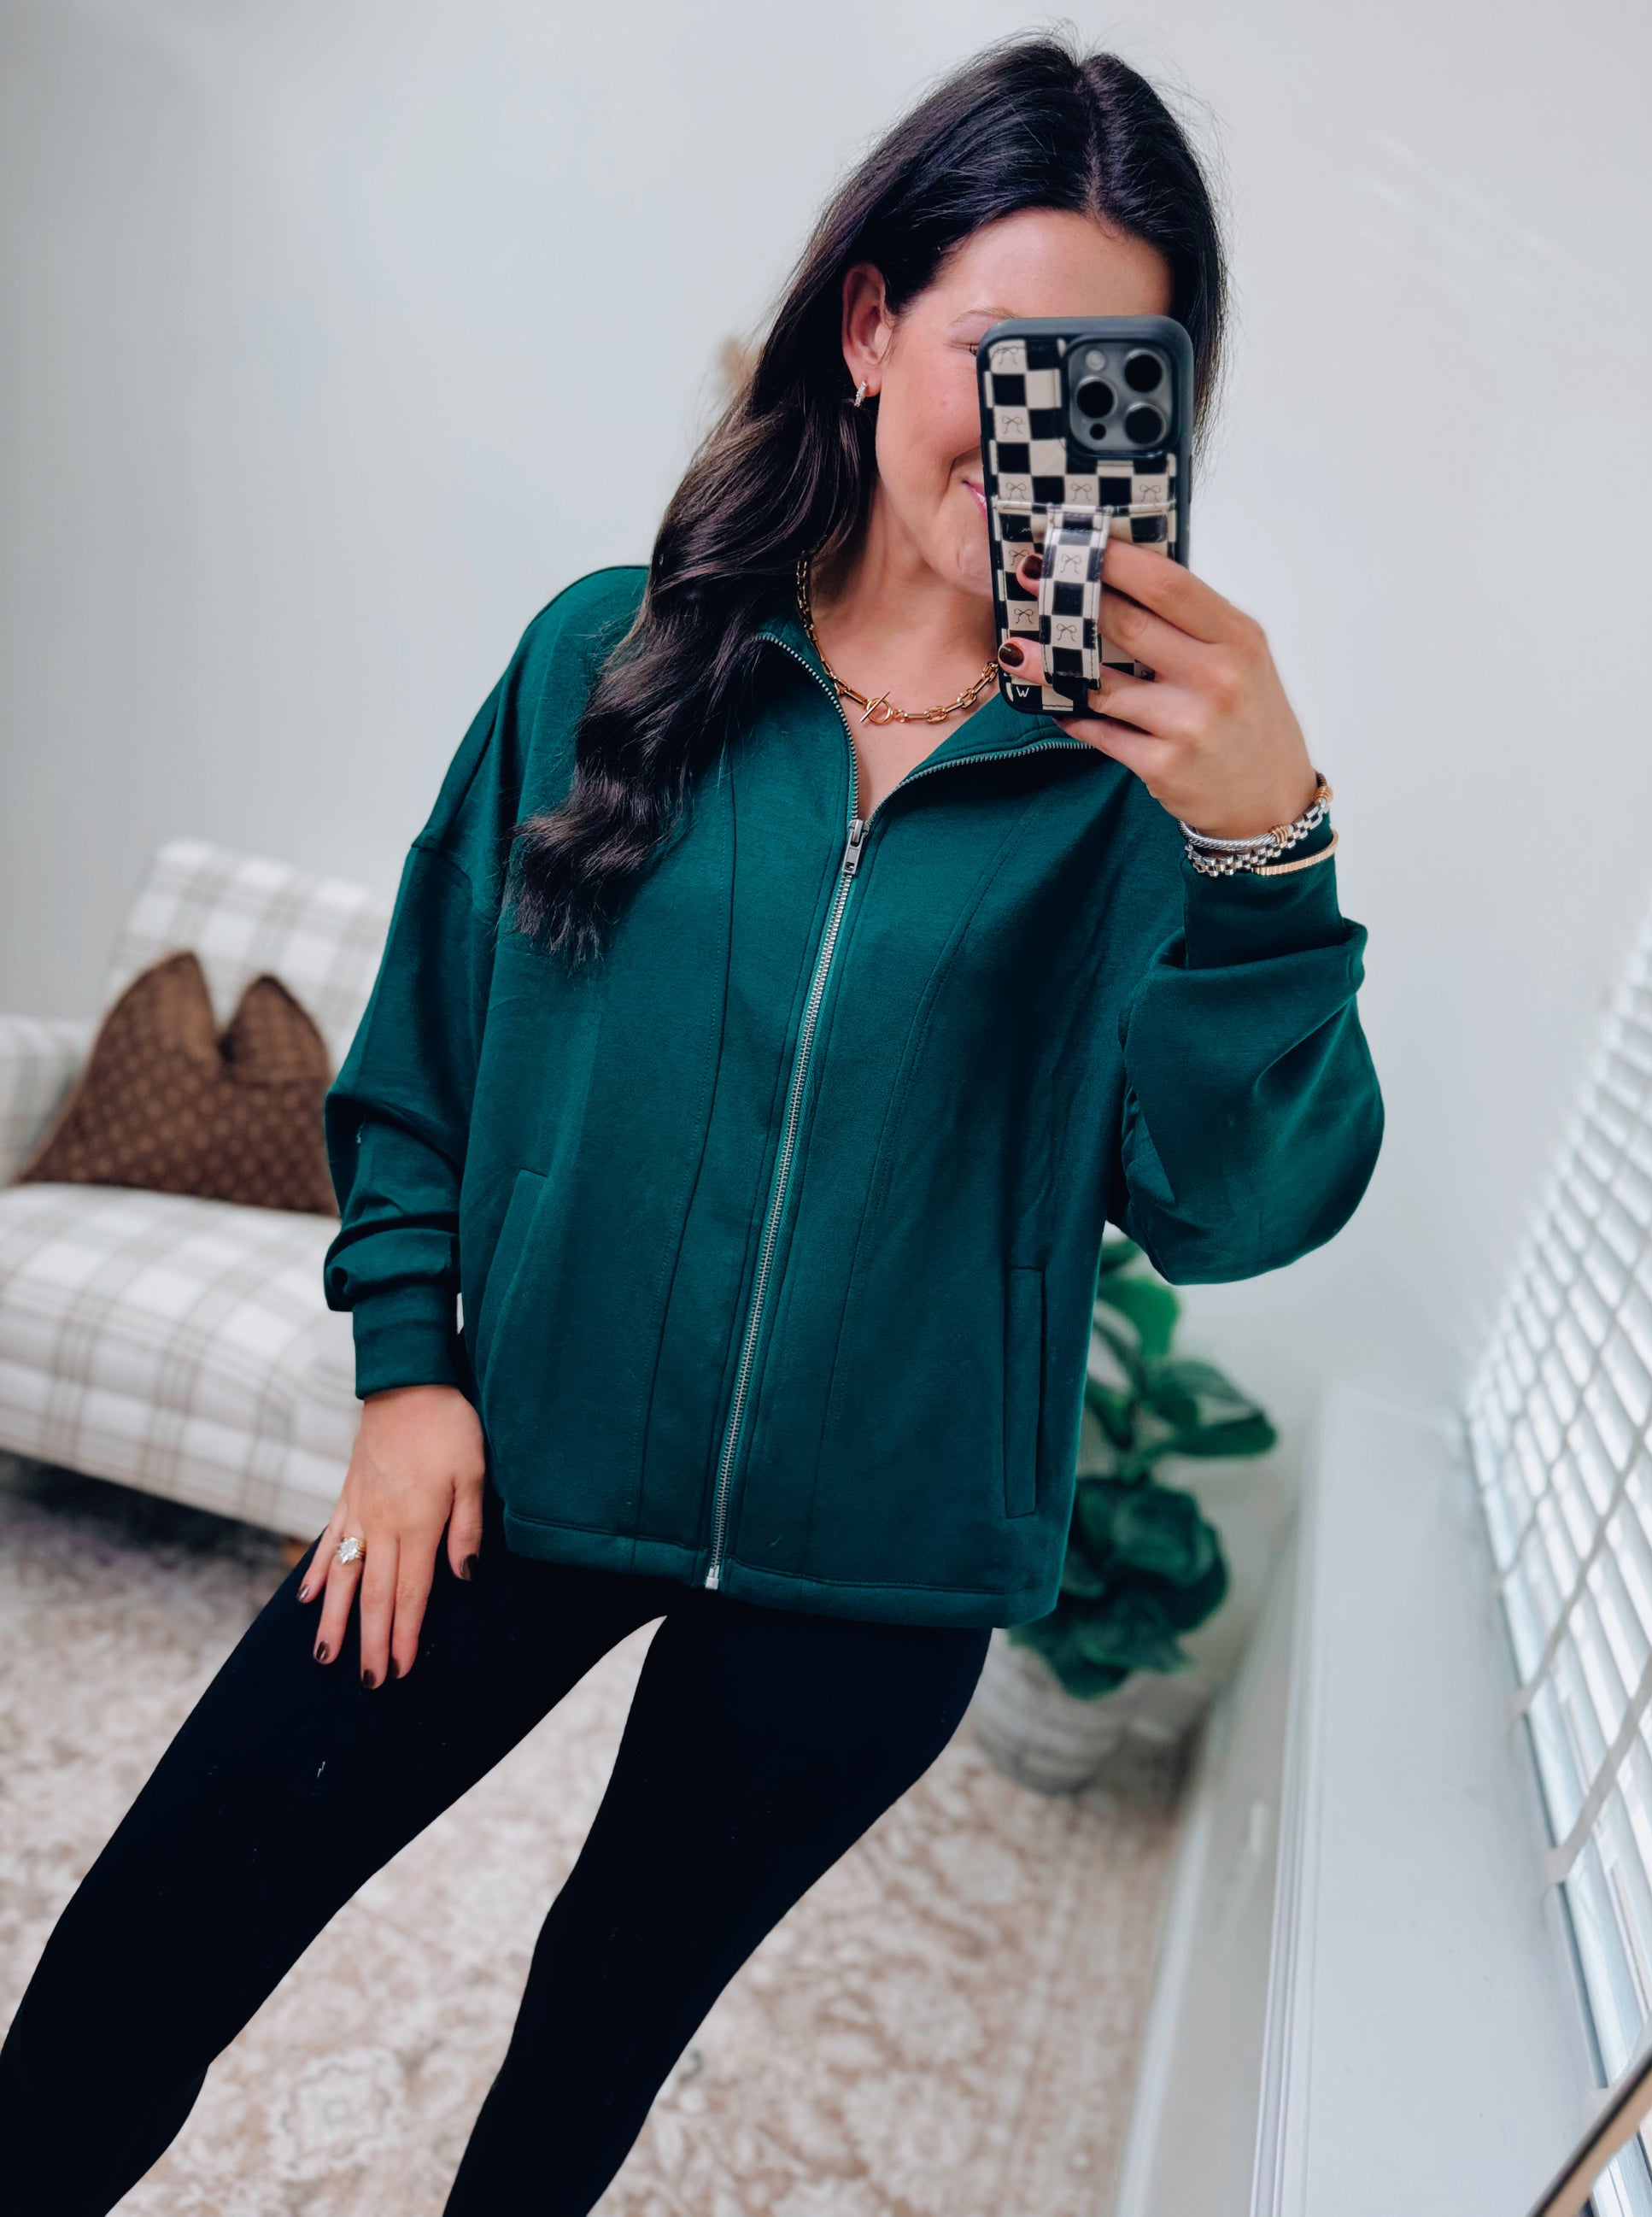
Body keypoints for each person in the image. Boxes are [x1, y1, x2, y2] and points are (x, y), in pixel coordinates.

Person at [0, 34, 1383, 2214]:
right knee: (135, 1964)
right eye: (1004, 347)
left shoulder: (1154, 797)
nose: (1042, 414)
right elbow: (418, 1056)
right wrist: (406, 1377)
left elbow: (1230, 1208)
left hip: (876, 1575)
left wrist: (1265, 848)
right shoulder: (607, 656)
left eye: (1113, 371)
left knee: (586, 2053)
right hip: (508, 1466)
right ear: (870, 323)